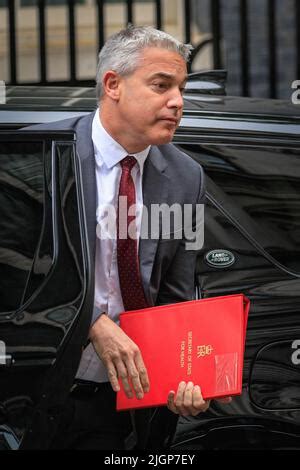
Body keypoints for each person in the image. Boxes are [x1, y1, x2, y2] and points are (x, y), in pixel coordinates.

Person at [25, 25, 230, 450]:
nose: (177, 101)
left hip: (124, 405)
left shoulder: (185, 175)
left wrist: (185, 377)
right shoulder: (45, 154)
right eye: (161, 85)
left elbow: (177, 291)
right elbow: (12, 269)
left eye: (180, 87)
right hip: (32, 393)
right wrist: (90, 323)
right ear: (113, 84)